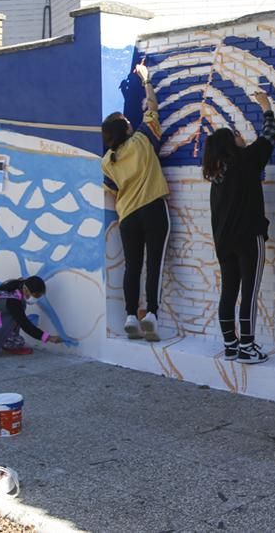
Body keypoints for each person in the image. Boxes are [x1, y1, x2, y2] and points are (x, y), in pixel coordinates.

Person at [201, 90, 275, 365]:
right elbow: (269, 136)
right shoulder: (246, 161)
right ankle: (247, 347)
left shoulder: (216, 174)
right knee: (249, 293)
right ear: (230, 144)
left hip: (224, 242)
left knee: (229, 291)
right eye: (235, 135)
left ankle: (231, 345)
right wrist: (266, 107)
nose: (240, 136)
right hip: (248, 238)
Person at [102, 61, 170, 343]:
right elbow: (152, 108)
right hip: (153, 207)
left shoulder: (107, 161)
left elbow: (113, 191)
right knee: (154, 263)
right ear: (127, 129)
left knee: (132, 266)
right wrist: (146, 81)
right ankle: (151, 314)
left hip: (127, 216)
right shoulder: (142, 140)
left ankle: (131, 315)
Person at [0, 276, 62, 359]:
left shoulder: (15, 291)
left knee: (15, 320)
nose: (36, 298)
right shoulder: (13, 302)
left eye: (39, 296)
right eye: (35, 295)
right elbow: (25, 325)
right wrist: (48, 338)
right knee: (17, 342)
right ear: (26, 289)